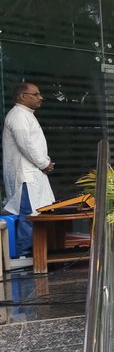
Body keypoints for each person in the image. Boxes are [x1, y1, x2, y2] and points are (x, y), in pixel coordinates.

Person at [2, 81, 55, 258]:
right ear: (23, 96)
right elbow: (26, 145)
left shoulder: (26, 114)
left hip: (32, 173)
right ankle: (23, 256)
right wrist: (43, 163)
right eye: (36, 94)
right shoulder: (18, 115)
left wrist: (43, 163)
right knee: (28, 216)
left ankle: (34, 253)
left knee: (35, 215)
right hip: (25, 175)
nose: (40, 97)